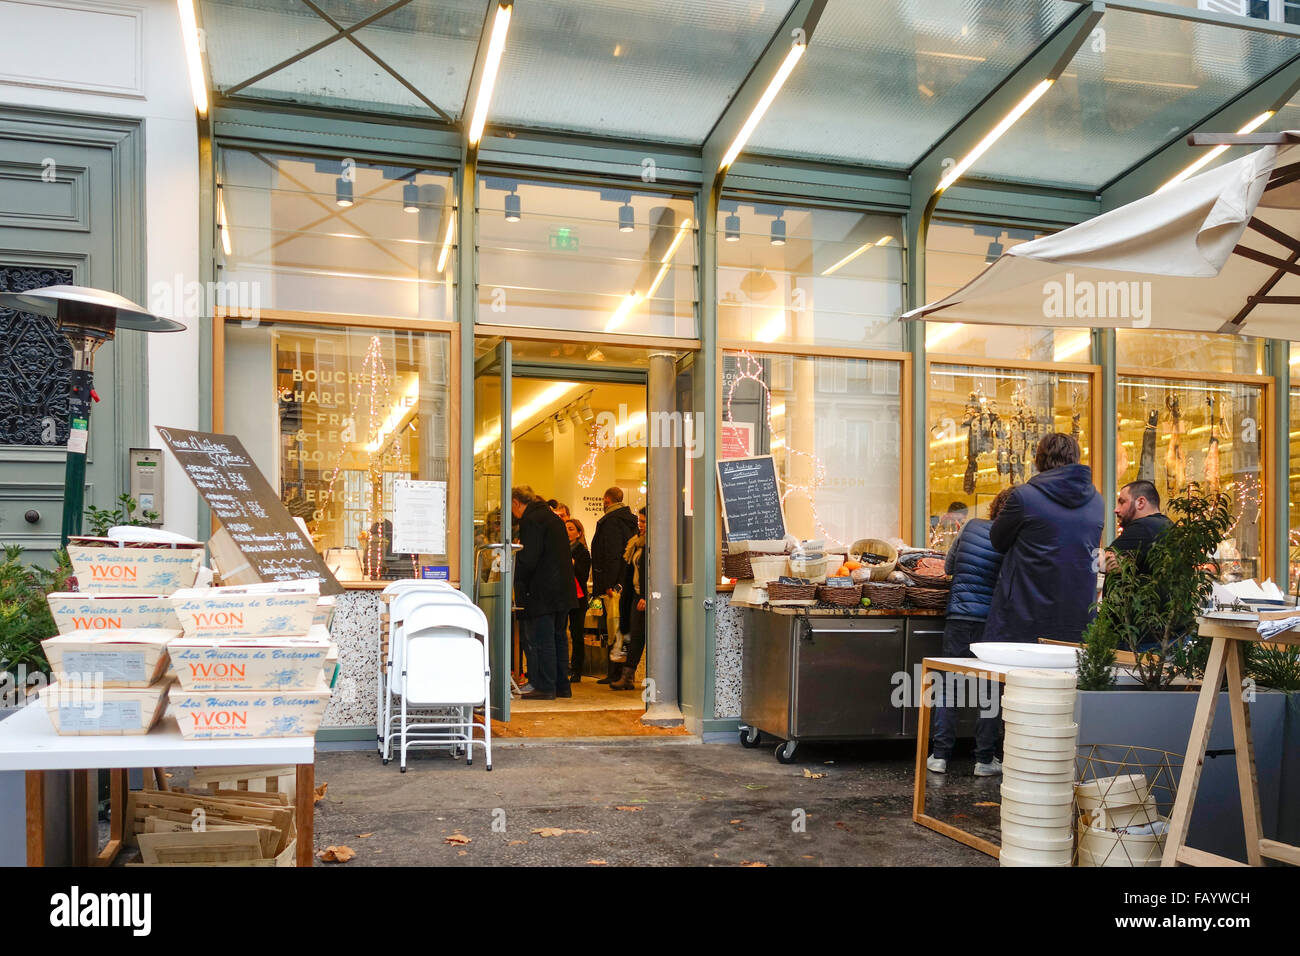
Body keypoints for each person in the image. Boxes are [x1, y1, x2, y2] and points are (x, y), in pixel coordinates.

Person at [984, 433, 1105, 644]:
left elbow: (997, 540)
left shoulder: (1024, 497)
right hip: (1077, 616)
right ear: (1076, 459)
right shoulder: (1097, 502)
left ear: (1039, 459)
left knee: (1014, 675)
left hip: (1024, 615)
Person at [927, 487, 1015, 778]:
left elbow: (949, 566)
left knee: (949, 687)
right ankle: (984, 759)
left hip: (959, 617)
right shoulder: (1013, 540)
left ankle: (939, 756)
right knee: (989, 692)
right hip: (991, 623)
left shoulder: (972, 526)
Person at [511, 486, 577, 700]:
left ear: (516, 502)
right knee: (558, 638)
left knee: (542, 639)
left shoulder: (531, 520)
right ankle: (562, 686)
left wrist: (514, 565)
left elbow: (529, 558)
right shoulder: (552, 517)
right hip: (562, 591)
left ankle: (545, 686)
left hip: (542, 591)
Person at [590, 486, 639, 684]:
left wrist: (609, 584)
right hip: (625, 582)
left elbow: (611, 555)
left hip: (613, 585)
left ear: (607, 500)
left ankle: (615, 672)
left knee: (613, 627)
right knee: (621, 626)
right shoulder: (629, 521)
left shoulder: (610, 522)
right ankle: (620, 671)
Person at [1104, 479, 1172, 578]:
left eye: (1122, 502)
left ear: (1140, 502)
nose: (1116, 510)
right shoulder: (1168, 525)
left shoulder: (1142, 527)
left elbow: (1106, 563)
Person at [611, 507, 647, 691]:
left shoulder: (653, 544)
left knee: (638, 635)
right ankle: (627, 675)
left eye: (644, 521)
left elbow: (653, 572)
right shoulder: (635, 543)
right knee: (633, 634)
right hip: (634, 594)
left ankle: (628, 676)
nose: (640, 525)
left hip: (645, 596)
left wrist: (645, 595)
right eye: (639, 521)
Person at [566, 517, 591, 683]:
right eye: (566, 529)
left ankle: (577, 670)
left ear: (579, 533)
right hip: (563, 596)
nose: (567, 532)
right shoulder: (560, 550)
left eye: (571, 529)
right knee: (561, 632)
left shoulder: (582, 552)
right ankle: (563, 667)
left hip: (578, 598)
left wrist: (574, 564)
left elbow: (583, 575)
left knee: (576, 634)